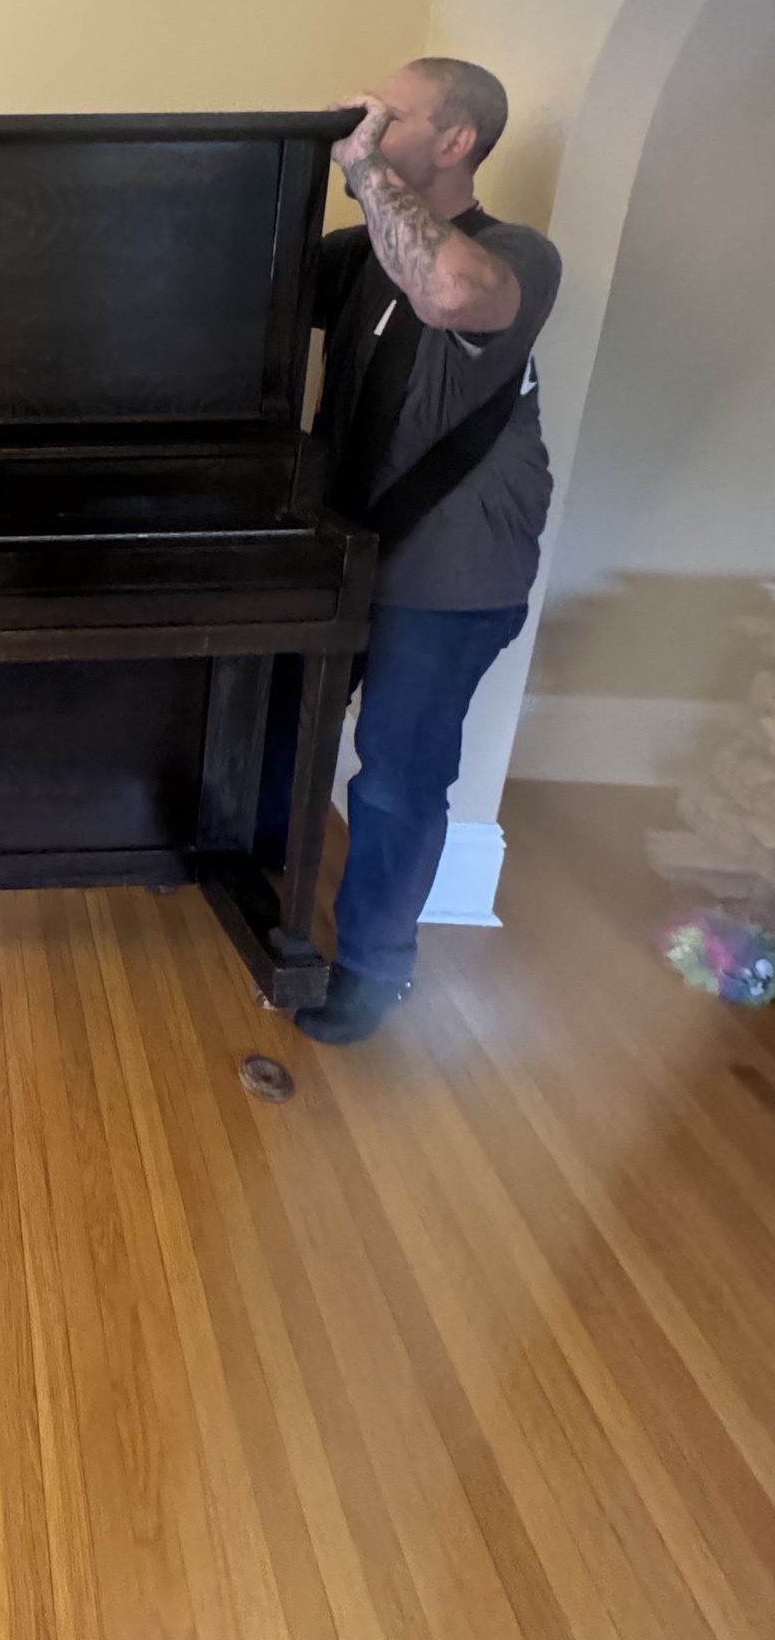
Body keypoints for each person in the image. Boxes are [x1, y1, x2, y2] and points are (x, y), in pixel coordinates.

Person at [259, 56, 561, 1045]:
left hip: (451, 576)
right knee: (278, 725)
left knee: (394, 777)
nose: (374, 127)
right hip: (345, 552)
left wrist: (363, 166)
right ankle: (255, 886)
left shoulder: (516, 255)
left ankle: (374, 970)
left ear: (459, 139)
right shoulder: (364, 255)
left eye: (396, 115)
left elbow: (447, 291)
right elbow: (243, 275)